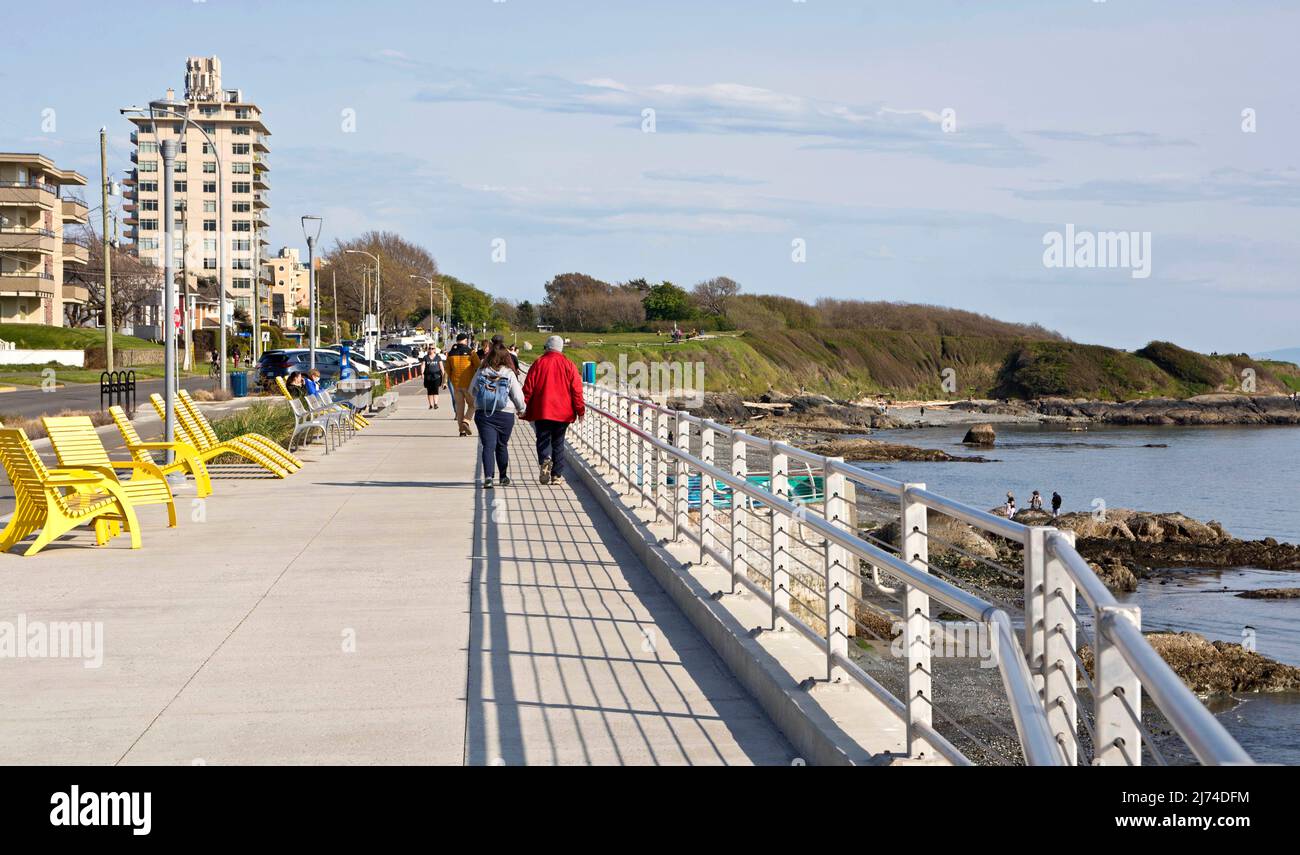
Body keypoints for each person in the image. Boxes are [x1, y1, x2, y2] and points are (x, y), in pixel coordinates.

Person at [522, 334, 586, 486]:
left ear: (548, 347)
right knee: (558, 442)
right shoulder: (568, 364)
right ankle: (557, 475)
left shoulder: (539, 362)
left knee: (543, 438)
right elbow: (577, 390)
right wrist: (580, 410)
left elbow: (528, 387)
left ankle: (545, 458)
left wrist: (522, 406)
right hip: (563, 412)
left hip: (542, 409)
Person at [470, 346, 526, 489]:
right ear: (506, 357)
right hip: (505, 414)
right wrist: (521, 409)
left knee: (488, 446)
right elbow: (518, 395)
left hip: (484, 414)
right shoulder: (509, 373)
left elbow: (472, 390)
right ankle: (503, 476)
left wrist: (484, 398)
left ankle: (488, 477)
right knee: (502, 445)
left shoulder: (481, 371)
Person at [445, 334, 480, 436]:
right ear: (465, 340)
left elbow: (447, 370)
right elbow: (479, 366)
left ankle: (462, 431)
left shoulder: (450, 354)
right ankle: (466, 421)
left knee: (459, 408)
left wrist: (444, 382)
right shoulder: (471, 352)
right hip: (468, 385)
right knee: (473, 405)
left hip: (456, 385)